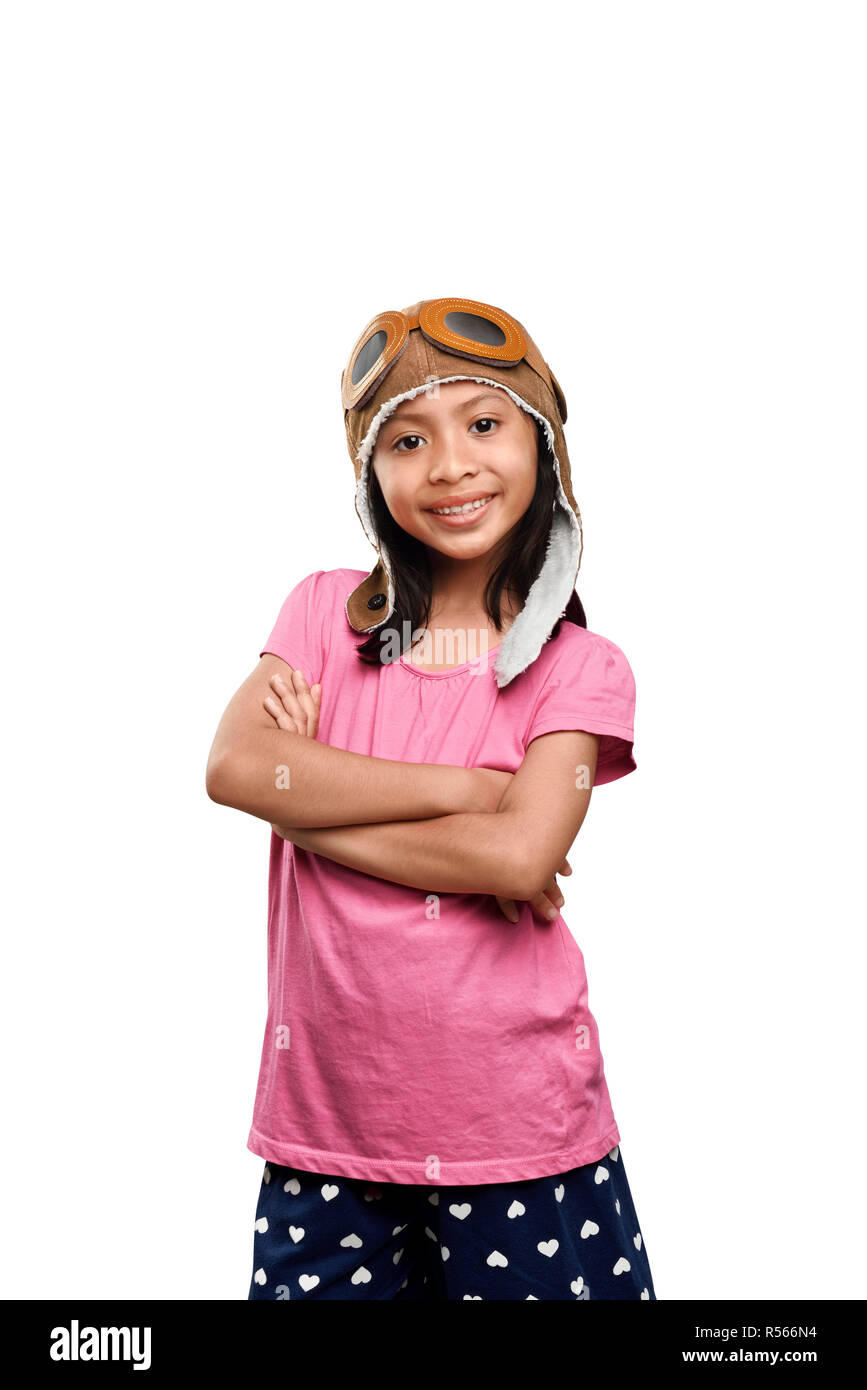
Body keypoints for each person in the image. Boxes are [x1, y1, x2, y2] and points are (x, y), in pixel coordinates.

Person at [206, 297, 657, 1301]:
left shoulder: (580, 667)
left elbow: (519, 859)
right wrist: (464, 790)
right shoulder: (322, 612)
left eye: (484, 423)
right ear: (372, 473)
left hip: (519, 1134)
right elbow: (238, 769)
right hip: (326, 1132)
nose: (450, 465)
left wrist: (311, 803)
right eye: (408, 439)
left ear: (541, 441)